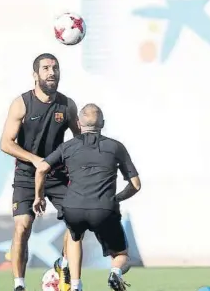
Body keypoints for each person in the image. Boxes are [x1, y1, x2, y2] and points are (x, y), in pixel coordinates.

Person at [33, 103, 141, 291]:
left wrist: (38, 196)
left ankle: (75, 285)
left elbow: (41, 168)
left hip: (73, 208)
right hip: (104, 209)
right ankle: (115, 273)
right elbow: (136, 185)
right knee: (121, 256)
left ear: (78, 123)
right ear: (103, 123)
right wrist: (117, 198)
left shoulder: (67, 147)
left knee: (75, 238)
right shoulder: (116, 147)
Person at [0, 53, 80, 291]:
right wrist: (35, 160)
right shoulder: (22, 103)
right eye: (45, 68)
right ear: (35, 75)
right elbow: (6, 143)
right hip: (26, 174)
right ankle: (19, 285)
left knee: (76, 221)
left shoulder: (67, 105)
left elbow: (79, 141)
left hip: (57, 176)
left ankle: (63, 265)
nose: (51, 72)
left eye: (55, 68)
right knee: (22, 226)